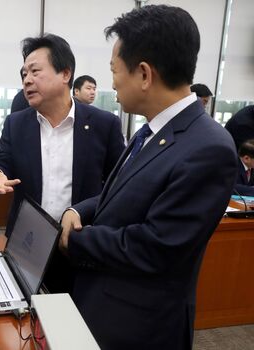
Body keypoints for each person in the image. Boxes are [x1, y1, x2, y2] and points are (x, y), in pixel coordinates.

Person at [58, 5, 238, 349]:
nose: (111, 82)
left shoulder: (209, 148)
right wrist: (78, 211)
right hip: (103, 303)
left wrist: (74, 240)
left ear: (144, 74)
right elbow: (122, 194)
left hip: (141, 326)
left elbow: (156, 247)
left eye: (114, 70)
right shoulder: (152, 130)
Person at [0, 34, 125, 293]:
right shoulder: (17, 123)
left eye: (35, 71)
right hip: (28, 242)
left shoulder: (104, 125)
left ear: (65, 74)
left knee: (76, 320)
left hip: (79, 241)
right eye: (24, 73)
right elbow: (3, 161)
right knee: (27, 319)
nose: (26, 80)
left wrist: (82, 210)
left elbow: (119, 186)